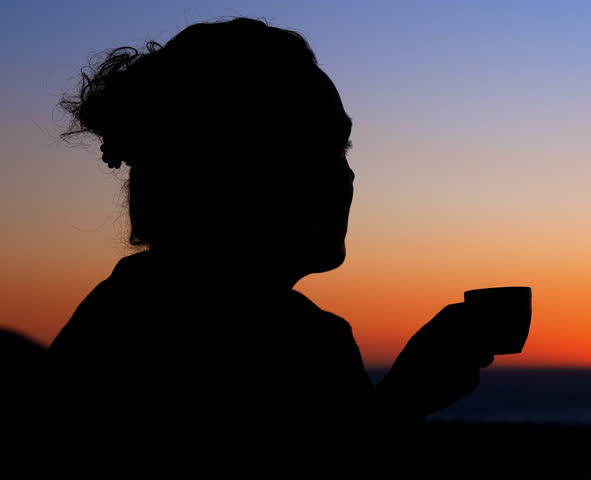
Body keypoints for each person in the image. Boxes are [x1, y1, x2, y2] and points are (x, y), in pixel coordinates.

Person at [9, 17, 493, 477]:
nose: (341, 175)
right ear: (221, 173)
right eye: (303, 149)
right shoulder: (222, 334)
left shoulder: (131, 308)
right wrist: (405, 400)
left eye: (340, 149)